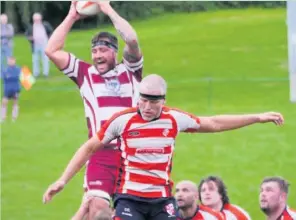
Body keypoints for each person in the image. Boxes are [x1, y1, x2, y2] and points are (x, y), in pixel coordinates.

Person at [43, 74, 284, 220]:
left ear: (164, 101)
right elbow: (88, 148)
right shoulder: (121, 120)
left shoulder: (174, 119)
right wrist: (63, 180)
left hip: (161, 200)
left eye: (153, 102)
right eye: (143, 100)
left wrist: (257, 117)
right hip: (129, 199)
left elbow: (214, 123)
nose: (147, 107)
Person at [44, 1, 143, 219]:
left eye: (103, 50)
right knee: (96, 208)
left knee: (127, 213)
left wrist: (106, 8)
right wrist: (71, 16)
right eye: (94, 51)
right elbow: (51, 50)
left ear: (115, 52)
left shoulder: (131, 71)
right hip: (101, 153)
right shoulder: (85, 74)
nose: (97, 55)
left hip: (132, 153)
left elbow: (133, 40)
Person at [25, 12, 53, 77]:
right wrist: (30, 38)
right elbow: (27, 34)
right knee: (35, 59)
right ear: (33, 20)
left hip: (44, 44)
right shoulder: (31, 27)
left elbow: (51, 32)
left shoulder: (45, 25)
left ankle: (45, 73)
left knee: (45, 59)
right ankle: (36, 73)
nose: (37, 21)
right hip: (35, 45)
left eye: (38, 19)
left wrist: (49, 39)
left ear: (41, 19)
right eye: (35, 19)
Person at [1, 56, 21, 122]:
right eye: (9, 61)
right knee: (4, 103)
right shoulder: (5, 70)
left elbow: (21, 78)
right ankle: (2, 118)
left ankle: (14, 118)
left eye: (12, 60)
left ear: (14, 61)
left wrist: (10, 77)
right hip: (7, 89)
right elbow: (5, 77)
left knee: (15, 102)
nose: (10, 62)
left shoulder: (18, 69)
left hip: (16, 89)